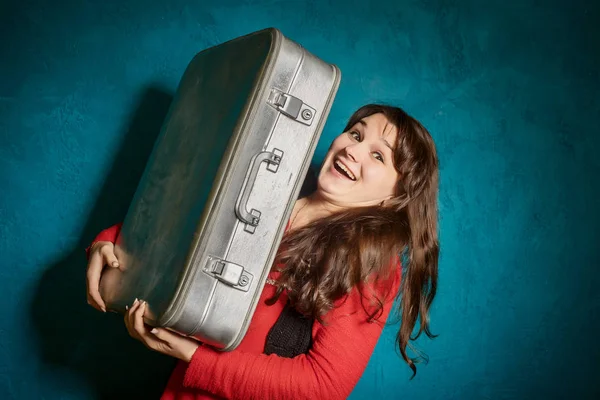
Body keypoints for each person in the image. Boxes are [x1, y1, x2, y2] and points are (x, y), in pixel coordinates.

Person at [85, 104, 440, 400]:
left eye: (378, 155)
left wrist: (195, 358)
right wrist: (112, 240)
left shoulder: (372, 264)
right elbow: (184, 229)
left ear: (395, 197)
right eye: (356, 134)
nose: (353, 149)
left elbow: (323, 384)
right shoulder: (265, 198)